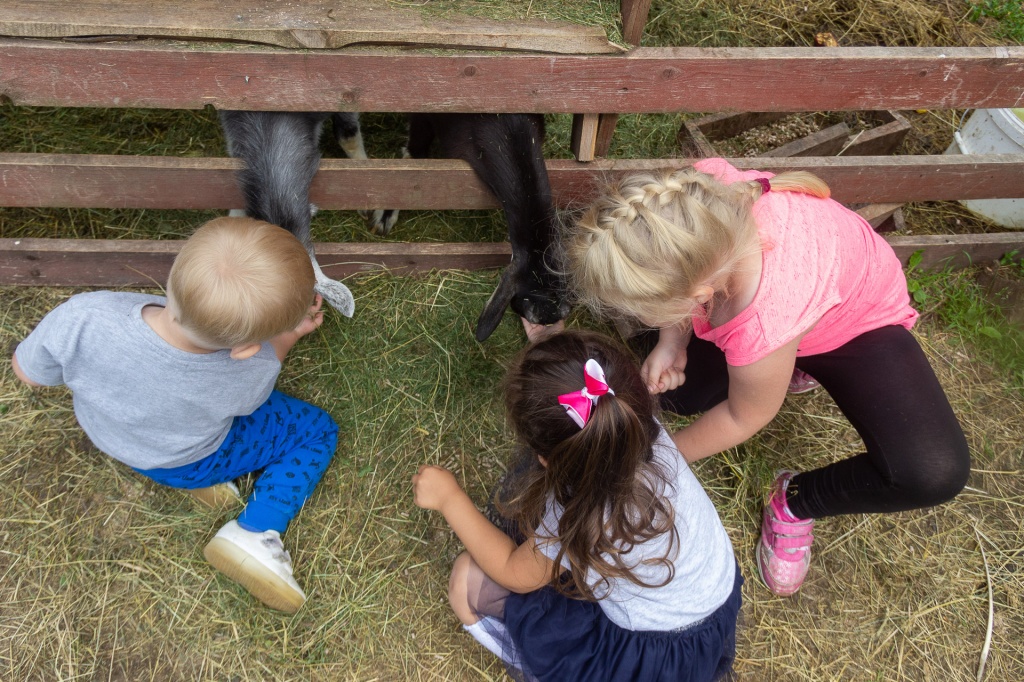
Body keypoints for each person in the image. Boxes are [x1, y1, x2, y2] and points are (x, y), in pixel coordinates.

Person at [564, 158, 970, 596]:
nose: (631, 317)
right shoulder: (688, 196)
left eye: (640, 308)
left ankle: (795, 500)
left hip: (854, 325)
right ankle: (781, 365)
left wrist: (654, 459)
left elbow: (745, 416)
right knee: (681, 398)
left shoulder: (758, 319)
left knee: (930, 471)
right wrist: (671, 341)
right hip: (778, 318)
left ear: (700, 295)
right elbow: (683, 275)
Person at [11, 216, 339, 613]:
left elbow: (28, 374)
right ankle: (255, 530)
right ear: (247, 348)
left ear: (174, 272)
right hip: (188, 463)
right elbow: (250, 407)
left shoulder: (84, 314)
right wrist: (284, 337)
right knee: (316, 431)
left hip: (109, 435)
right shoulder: (253, 368)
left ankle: (212, 486)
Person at [412, 331, 741, 682]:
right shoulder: (642, 431)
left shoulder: (576, 517)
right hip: (715, 596)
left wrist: (450, 499)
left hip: (655, 658)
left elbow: (512, 572)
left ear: (547, 460)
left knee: (466, 580)